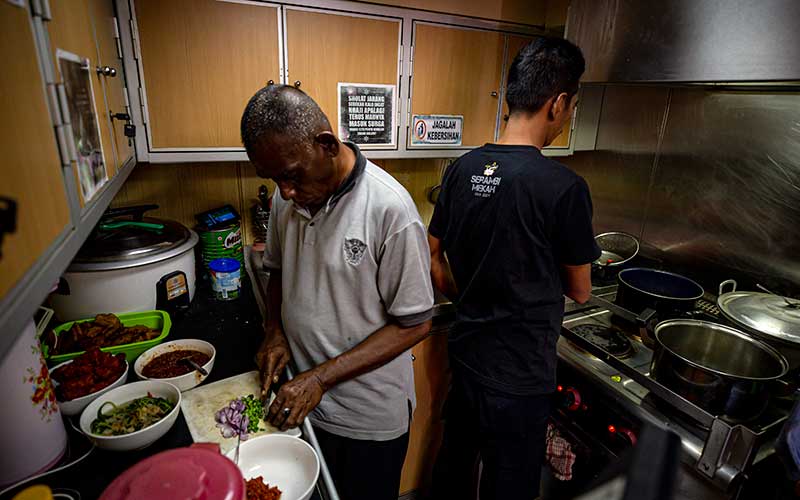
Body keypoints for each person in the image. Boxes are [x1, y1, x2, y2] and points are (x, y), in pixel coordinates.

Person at [240, 84, 434, 500]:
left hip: (367, 419)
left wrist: (320, 378)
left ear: (326, 144)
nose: (285, 191)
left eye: (291, 175)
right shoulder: (284, 198)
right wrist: (274, 330)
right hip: (304, 402)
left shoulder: (390, 211)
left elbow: (415, 324)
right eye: (274, 179)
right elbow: (277, 270)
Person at [428, 37, 600, 499]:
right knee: (509, 485)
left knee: (455, 466)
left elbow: (431, 254)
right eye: (572, 106)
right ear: (558, 103)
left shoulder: (461, 169)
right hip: (520, 375)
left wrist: (464, 296)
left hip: (467, 356)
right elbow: (581, 290)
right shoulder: (564, 187)